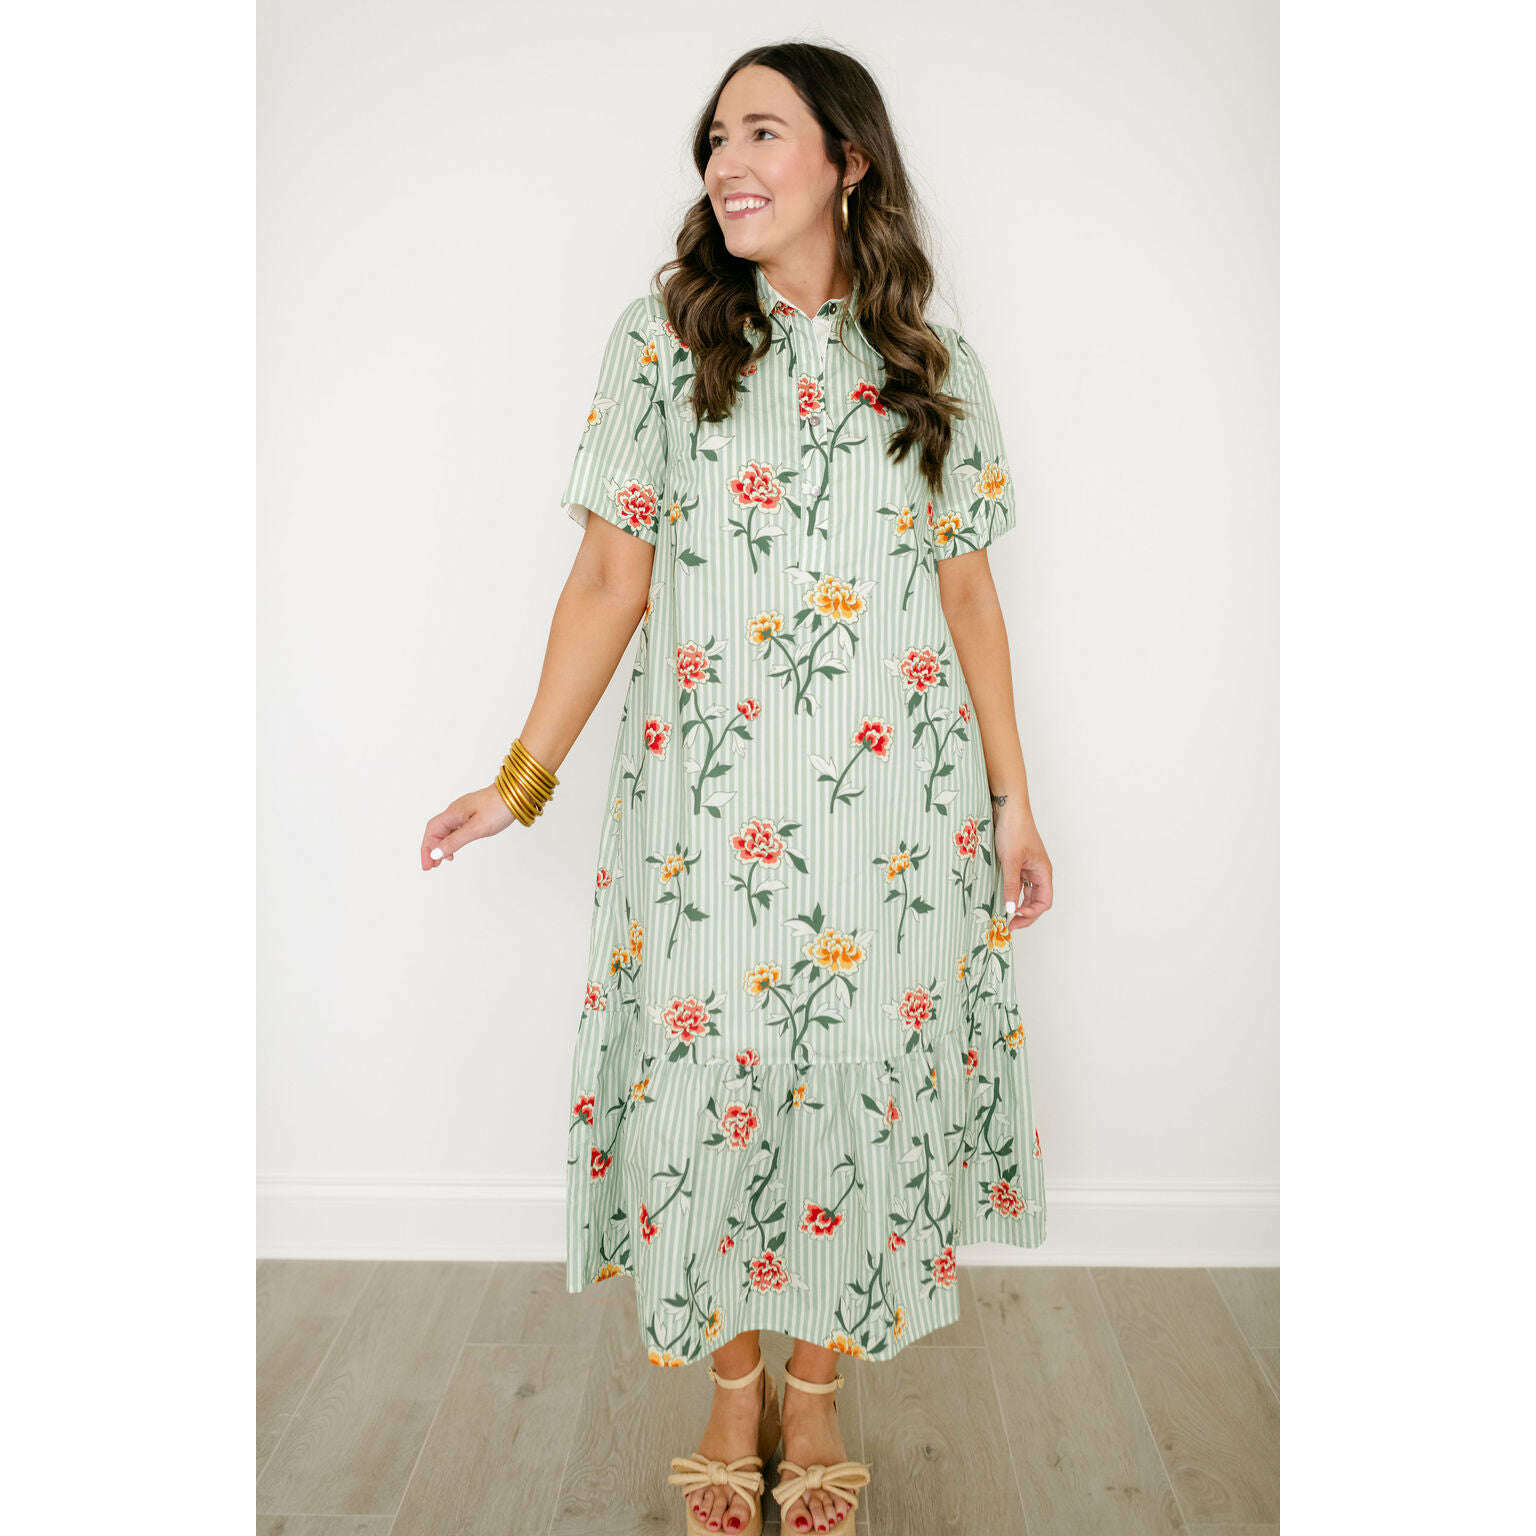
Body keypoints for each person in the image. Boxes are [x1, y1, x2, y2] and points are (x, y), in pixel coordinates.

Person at [421, 41, 1054, 1536]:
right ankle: (727, 1388)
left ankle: (815, 1396)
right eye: (715, 139)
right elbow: (609, 576)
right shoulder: (664, 342)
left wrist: (1014, 802)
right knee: (710, 1090)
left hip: (896, 817)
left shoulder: (935, 369)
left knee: (856, 1090)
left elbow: (969, 596)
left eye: (763, 132)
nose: (728, 164)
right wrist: (521, 778)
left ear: (849, 160)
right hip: (707, 816)